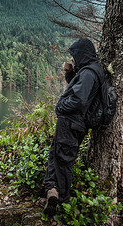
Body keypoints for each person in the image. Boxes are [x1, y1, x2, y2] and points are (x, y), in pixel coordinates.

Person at [43, 37, 104, 216]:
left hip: (72, 123)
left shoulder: (88, 74)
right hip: (73, 123)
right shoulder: (88, 71)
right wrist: (70, 73)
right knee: (57, 155)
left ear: (82, 54)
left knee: (63, 160)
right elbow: (78, 89)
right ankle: (51, 192)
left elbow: (79, 99)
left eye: (74, 55)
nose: (72, 59)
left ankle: (62, 202)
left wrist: (60, 107)